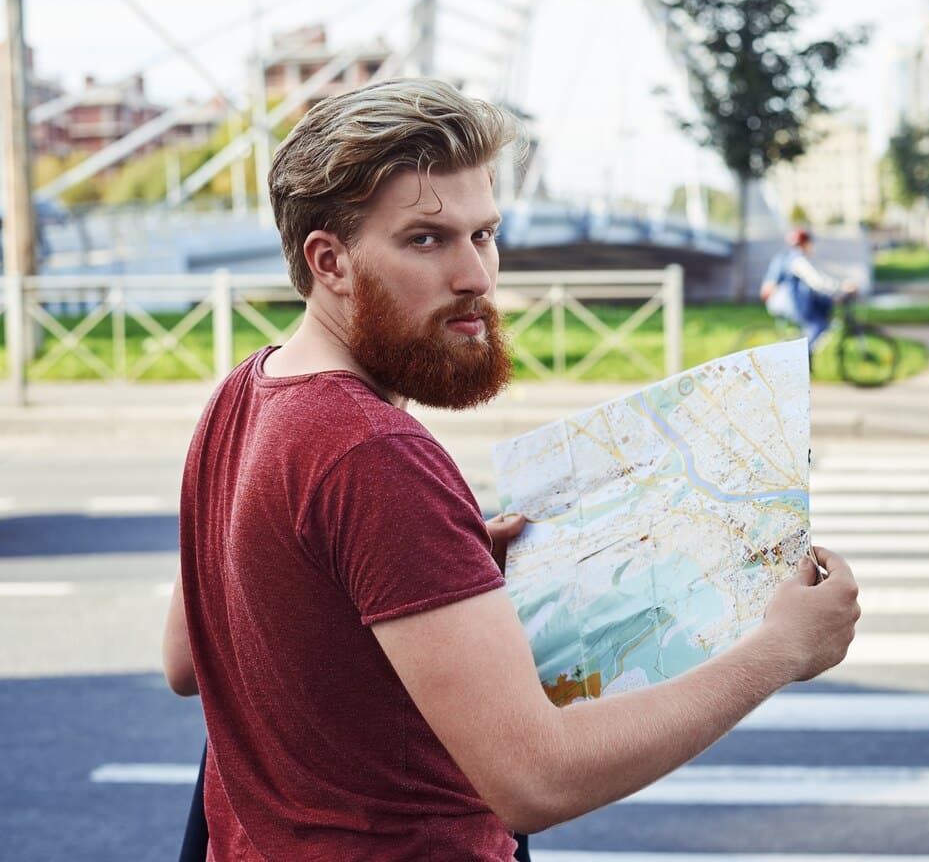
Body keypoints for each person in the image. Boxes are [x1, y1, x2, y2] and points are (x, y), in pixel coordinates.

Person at [160, 78, 861, 861]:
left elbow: (192, 660)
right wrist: (779, 651)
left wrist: (425, 582)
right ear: (331, 261)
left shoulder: (243, 395)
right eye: (427, 239)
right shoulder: (372, 454)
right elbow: (537, 781)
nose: (477, 277)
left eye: (484, 235)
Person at [760, 228, 855, 353]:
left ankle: (804, 351)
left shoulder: (784, 257)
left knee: (816, 317)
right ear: (806, 243)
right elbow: (817, 282)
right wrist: (841, 287)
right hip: (789, 302)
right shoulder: (797, 260)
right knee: (818, 324)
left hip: (779, 301)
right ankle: (804, 356)